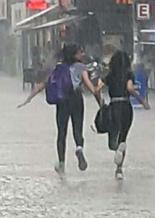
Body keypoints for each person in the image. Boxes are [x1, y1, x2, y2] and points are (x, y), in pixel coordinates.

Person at [18, 43, 102, 175]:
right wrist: (100, 99)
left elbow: (44, 84)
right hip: (76, 99)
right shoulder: (81, 67)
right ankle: (79, 148)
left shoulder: (58, 68)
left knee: (61, 132)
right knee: (77, 127)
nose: (83, 54)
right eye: (80, 52)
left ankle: (61, 163)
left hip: (62, 101)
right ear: (75, 55)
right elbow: (91, 87)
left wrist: (29, 98)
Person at [94, 51, 150, 180]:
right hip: (126, 106)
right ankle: (119, 169)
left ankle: (116, 149)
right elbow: (130, 88)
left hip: (113, 106)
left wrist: (101, 104)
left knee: (113, 137)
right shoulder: (129, 74)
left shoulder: (109, 75)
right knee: (123, 138)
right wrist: (142, 101)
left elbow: (97, 90)